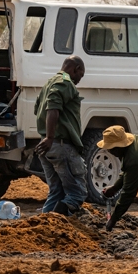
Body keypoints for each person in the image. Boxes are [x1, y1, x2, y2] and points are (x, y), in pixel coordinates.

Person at [35, 56, 87, 216]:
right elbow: (53, 108)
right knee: (77, 193)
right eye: (81, 75)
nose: (79, 80)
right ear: (76, 68)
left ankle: (44, 227)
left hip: (47, 147)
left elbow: (37, 109)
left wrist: (47, 137)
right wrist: (50, 138)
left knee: (56, 192)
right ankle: (59, 218)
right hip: (60, 145)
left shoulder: (49, 82)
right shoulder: (65, 83)